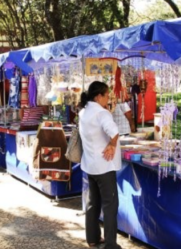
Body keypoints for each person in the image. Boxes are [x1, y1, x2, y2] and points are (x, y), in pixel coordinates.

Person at [79, 81, 122, 249]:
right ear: (98, 96)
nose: (108, 98)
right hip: (104, 167)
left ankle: (93, 238)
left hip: (91, 165)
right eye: (106, 95)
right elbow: (114, 132)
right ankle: (111, 244)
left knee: (93, 203)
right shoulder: (101, 113)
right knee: (110, 206)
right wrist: (112, 145)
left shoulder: (83, 112)